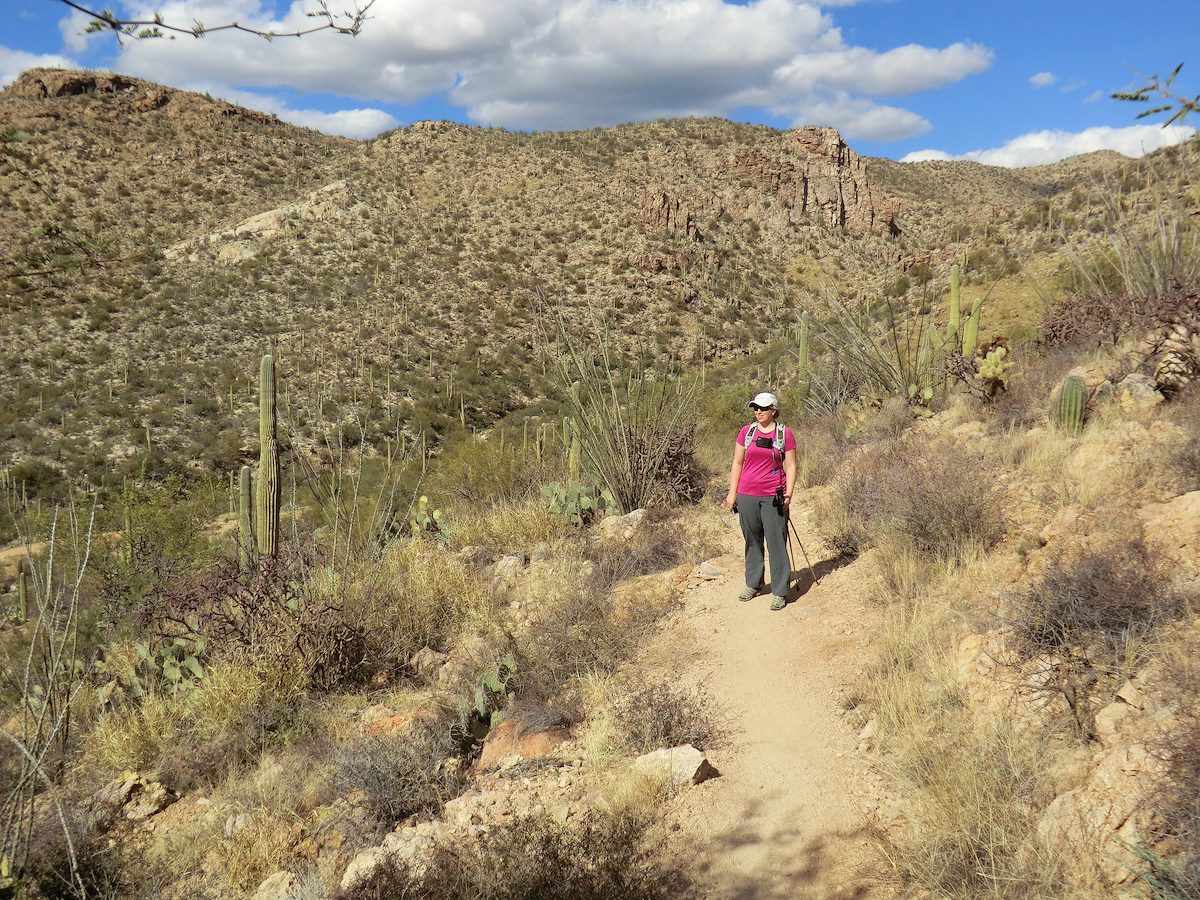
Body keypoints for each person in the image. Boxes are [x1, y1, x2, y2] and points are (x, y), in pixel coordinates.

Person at [722, 391, 798, 610]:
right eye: (755, 407)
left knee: (776, 543)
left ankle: (780, 591)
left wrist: (788, 493)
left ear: (773, 409)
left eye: (763, 408)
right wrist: (732, 493)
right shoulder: (746, 432)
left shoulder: (784, 434)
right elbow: (737, 463)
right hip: (747, 495)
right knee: (752, 540)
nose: (758, 411)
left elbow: (791, 466)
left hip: (772, 496)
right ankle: (753, 584)